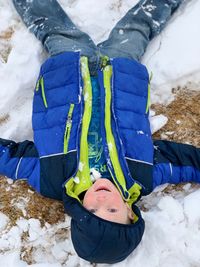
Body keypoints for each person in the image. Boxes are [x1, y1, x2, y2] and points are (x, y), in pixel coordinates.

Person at [0, 0, 199, 264]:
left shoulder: (52, 177)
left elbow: (11, 159)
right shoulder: (143, 174)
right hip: (122, 68)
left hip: (67, 68)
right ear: (130, 211)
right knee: (138, 28)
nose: (102, 199)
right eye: (112, 209)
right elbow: (186, 163)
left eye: (93, 209)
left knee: (52, 26)